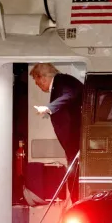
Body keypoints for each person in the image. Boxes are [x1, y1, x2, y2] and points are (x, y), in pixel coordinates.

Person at [30, 63, 83, 201]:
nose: (38, 85)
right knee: (73, 175)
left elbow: (70, 95)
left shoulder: (63, 80)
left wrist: (49, 108)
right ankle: (75, 202)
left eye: (37, 82)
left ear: (42, 78)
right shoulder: (59, 83)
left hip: (75, 138)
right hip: (72, 140)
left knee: (74, 176)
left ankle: (76, 204)